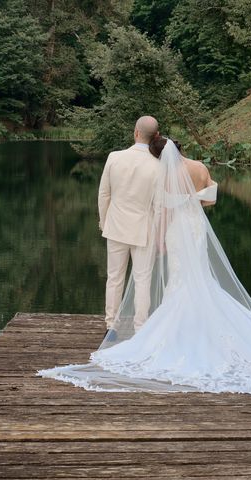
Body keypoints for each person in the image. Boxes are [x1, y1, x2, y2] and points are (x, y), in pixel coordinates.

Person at [38, 137, 251, 394]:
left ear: (162, 154)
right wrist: (192, 201)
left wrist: (159, 237)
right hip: (195, 228)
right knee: (200, 277)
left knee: (178, 280)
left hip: (175, 230)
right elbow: (211, 199)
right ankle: (205, 318)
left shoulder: (167, 174)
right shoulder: (198, 167)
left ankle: (177, 326)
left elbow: (164, 209)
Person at [97, 116, 160, 336]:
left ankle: (111, 326)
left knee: (114, 277)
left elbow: (104, 194)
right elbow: (159, 204)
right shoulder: (158, 164)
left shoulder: (114, 157)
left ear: (135, 132)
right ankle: (140, 327)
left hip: (116, 225)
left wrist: (104, 221)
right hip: (144, 229)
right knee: (142, 279)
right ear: (156, 136)